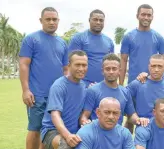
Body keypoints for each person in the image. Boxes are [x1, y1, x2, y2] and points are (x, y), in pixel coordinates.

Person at [19, 7, 68, 149]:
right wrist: (26, 90)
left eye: (54, 19)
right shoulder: (31, 39)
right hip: (37, 95)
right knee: (35, 129)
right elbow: (24, 64)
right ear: (41, 21)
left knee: (49, 131)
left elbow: (65, 69)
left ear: (58, 21)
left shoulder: (62, 43)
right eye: (48, 19)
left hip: (56, 96)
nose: (52, 22)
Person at [79, 53, 149, 127]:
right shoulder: (93, 90)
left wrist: (139, 120)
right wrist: (85, 122)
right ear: (102, 71)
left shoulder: (125, 92)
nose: (111, 72)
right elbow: (84, 116)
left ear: (119, 71)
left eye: (114, 69)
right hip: (97, 135)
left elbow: (131, 115)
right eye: (108, 69)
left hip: (116, 136)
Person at [40, 50, 88, 149]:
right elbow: (55, 115)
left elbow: (79, 113)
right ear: (69, 65)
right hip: (52, 131)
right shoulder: (59, 85)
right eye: (77, 65)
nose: (81, 68)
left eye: (84, 65)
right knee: (65, 146)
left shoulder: (84, 87)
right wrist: (67, 136)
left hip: (74, 132)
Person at [119, 4, 164, 86]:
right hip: (133, 84)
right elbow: (123, 62)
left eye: (149, 15)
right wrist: (121, 86)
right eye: (143, 14)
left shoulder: (159, 38)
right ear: (137, 16)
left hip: (153, 84)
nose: (146, 17)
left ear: (152, 17)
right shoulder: (128, 37)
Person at [127, 54, 164, 126]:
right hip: (144, 125)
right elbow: (123, 99)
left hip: (163, 125)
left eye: (159, 66)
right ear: (149, 67)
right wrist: (134, 118)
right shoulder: (138, 83)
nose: (156, 70)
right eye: (153, 66)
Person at [68, 9, 114, 87]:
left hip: (104, 86)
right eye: (95, 19)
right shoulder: (79, 38)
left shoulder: (109, 41)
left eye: (101, 20)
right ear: (89, 20)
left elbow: (111, 64)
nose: (98, 22)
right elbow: (71, 64)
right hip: (82, 85)